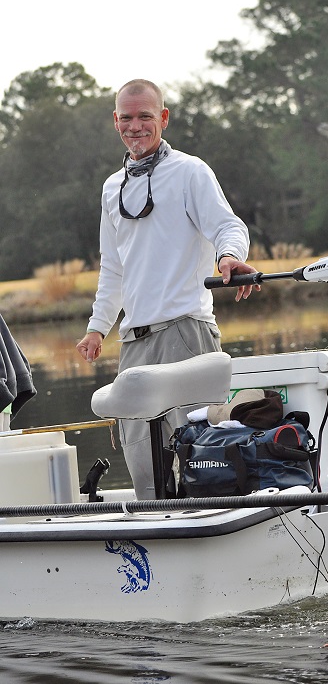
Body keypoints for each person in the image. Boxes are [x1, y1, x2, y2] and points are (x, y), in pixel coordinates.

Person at [76, 78, 259, 499]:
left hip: (185, 332)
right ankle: (162, 546)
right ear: (115, 122)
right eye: (126, 117)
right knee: (143, 468)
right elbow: (113, 269)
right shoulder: (110, 188)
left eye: (145, 116)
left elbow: (228, 226)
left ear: (163, 118)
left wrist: (228, 256)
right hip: (135, 345)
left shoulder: (190, 171)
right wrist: (97, 327)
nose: (135, 126)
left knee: (200, 457)